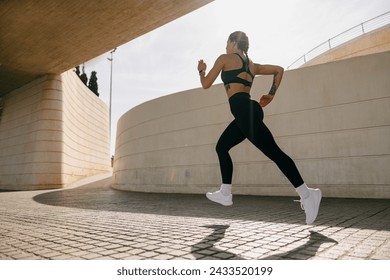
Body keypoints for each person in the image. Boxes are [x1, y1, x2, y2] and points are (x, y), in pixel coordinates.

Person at [197, 31, 321, 225]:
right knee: (222, 147)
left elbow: (205, 84)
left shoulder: (225, 59)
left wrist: (201, 70)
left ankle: (307, 195)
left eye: (227, 42)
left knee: (275, 153)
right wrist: (271, 95)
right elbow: (279, 70)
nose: (225, 46)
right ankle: (225, 192)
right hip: (247, 112)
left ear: (234, 41)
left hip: (246, 112)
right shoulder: (252, 65)